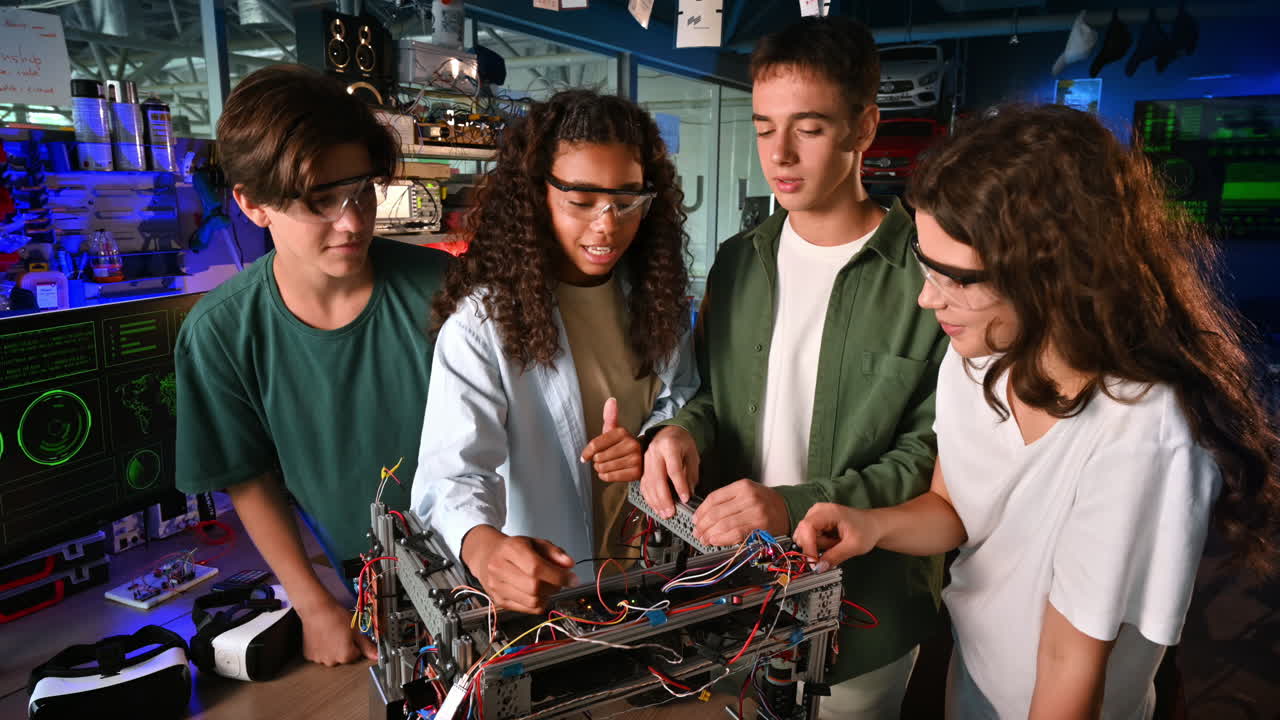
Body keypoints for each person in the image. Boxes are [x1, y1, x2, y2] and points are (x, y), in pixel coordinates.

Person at [794, 104, 1280, 718]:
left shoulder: (1141, 429)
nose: (927, 298)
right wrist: (874, 526)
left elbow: (1069, 664)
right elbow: (953, 507)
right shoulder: (977, 351)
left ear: (1052, 273)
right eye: (926, 265)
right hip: (978, 679)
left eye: (957, 279)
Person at [640, 16, 949, 719]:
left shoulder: (927, 280)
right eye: (764, 126)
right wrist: (683, 431)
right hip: (734, 596)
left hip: (865, 613)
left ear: (862, 128)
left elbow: (931, 460)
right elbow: (715, 397)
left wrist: (791, 506)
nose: (779, 154)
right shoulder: (734, 262)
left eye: (807, 128)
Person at [176, 65, 451, 666]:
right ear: (253, 205)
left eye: (361, 191)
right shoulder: (222, 332)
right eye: (318, 202)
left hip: (484, 557)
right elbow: (246, 477)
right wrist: (313, 605)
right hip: (365, 584)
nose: (351, 221)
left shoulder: (445, 291)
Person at [411, 90, 697, 614]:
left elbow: (680, 395)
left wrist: (652, 439)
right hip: (545, 585)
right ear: (535, 195)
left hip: (649, 575)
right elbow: (453, 472)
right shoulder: (485, 321)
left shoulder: (656, 300)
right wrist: (483, 547)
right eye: (581, 201)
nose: (608, 224)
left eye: (627, 199)